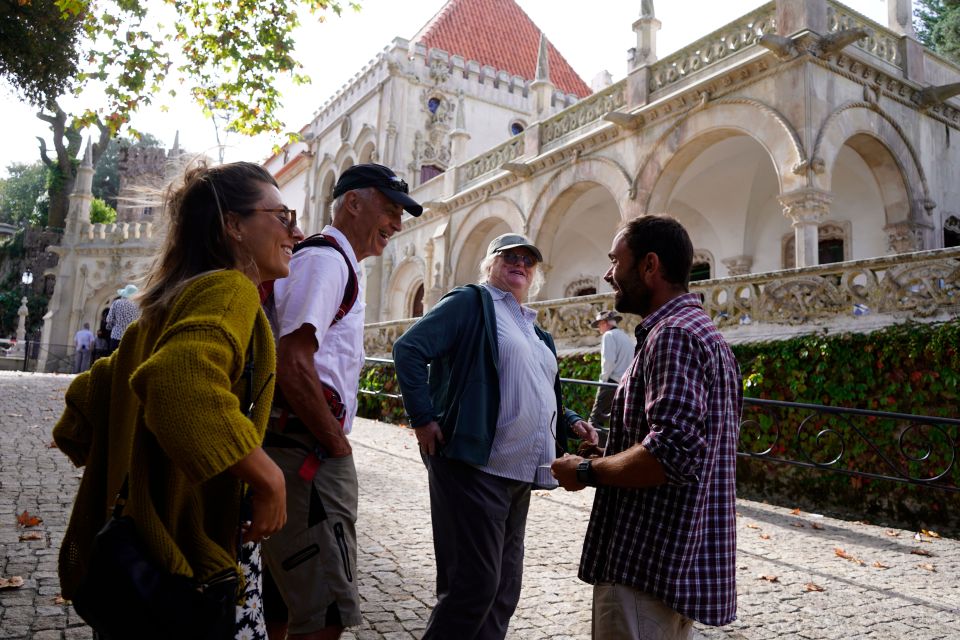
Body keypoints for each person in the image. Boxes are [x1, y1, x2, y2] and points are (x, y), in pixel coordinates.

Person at [53, 161, 302, 639]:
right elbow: (176, 383)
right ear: (234, 226)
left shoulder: (170, 298)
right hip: (180, 564)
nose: (296, 230)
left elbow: (94, 389)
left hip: (133, 559)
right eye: (283, 217)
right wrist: (268, 478)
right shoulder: (231, 289)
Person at [392, 232, 597, 640]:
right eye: (510, 257)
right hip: (475, 465)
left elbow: (539, 388)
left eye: (528, 260)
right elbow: (408, 349)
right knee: (474, 586)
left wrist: (571, 420)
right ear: (490, 265)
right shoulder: (472, 303)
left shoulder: (535, 331)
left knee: (504, 589)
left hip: (520, 472)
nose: (519, 264)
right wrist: (422, 418)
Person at [552, 215, 742, 640]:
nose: (608, 274)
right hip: (674, 565)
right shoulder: (704, 333)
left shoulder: (672, 335)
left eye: (615, 260)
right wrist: (612, 454)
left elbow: (672, 452)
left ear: (649, 265)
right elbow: (688, 442)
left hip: (647, 566)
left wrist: (585, 473)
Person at [261, 163, 422, 640]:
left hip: (296, 444)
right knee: (325, 609)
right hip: (306, 449)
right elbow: (292, 361)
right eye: (390, 209)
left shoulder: (332, 259)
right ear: (353, 202)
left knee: (284, 594)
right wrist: (337, 445)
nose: (396, 224)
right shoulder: (328, 259)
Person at [587, 310, 634, 428]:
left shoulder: (608, 335)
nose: (599, 328)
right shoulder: (625, 336)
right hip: (625, 384)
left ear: (604, 323)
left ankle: (596, 446)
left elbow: (608, 361)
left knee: (594, 422)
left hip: (611, 383)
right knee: (618, 422)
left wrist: (602, 382)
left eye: (599, 325)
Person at [105, 284, 141, 353]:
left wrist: (111, 325)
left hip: (116, 337)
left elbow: (109, 319)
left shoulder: (116, 303)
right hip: (131, 338)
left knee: (114, 361)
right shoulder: (138, 306)